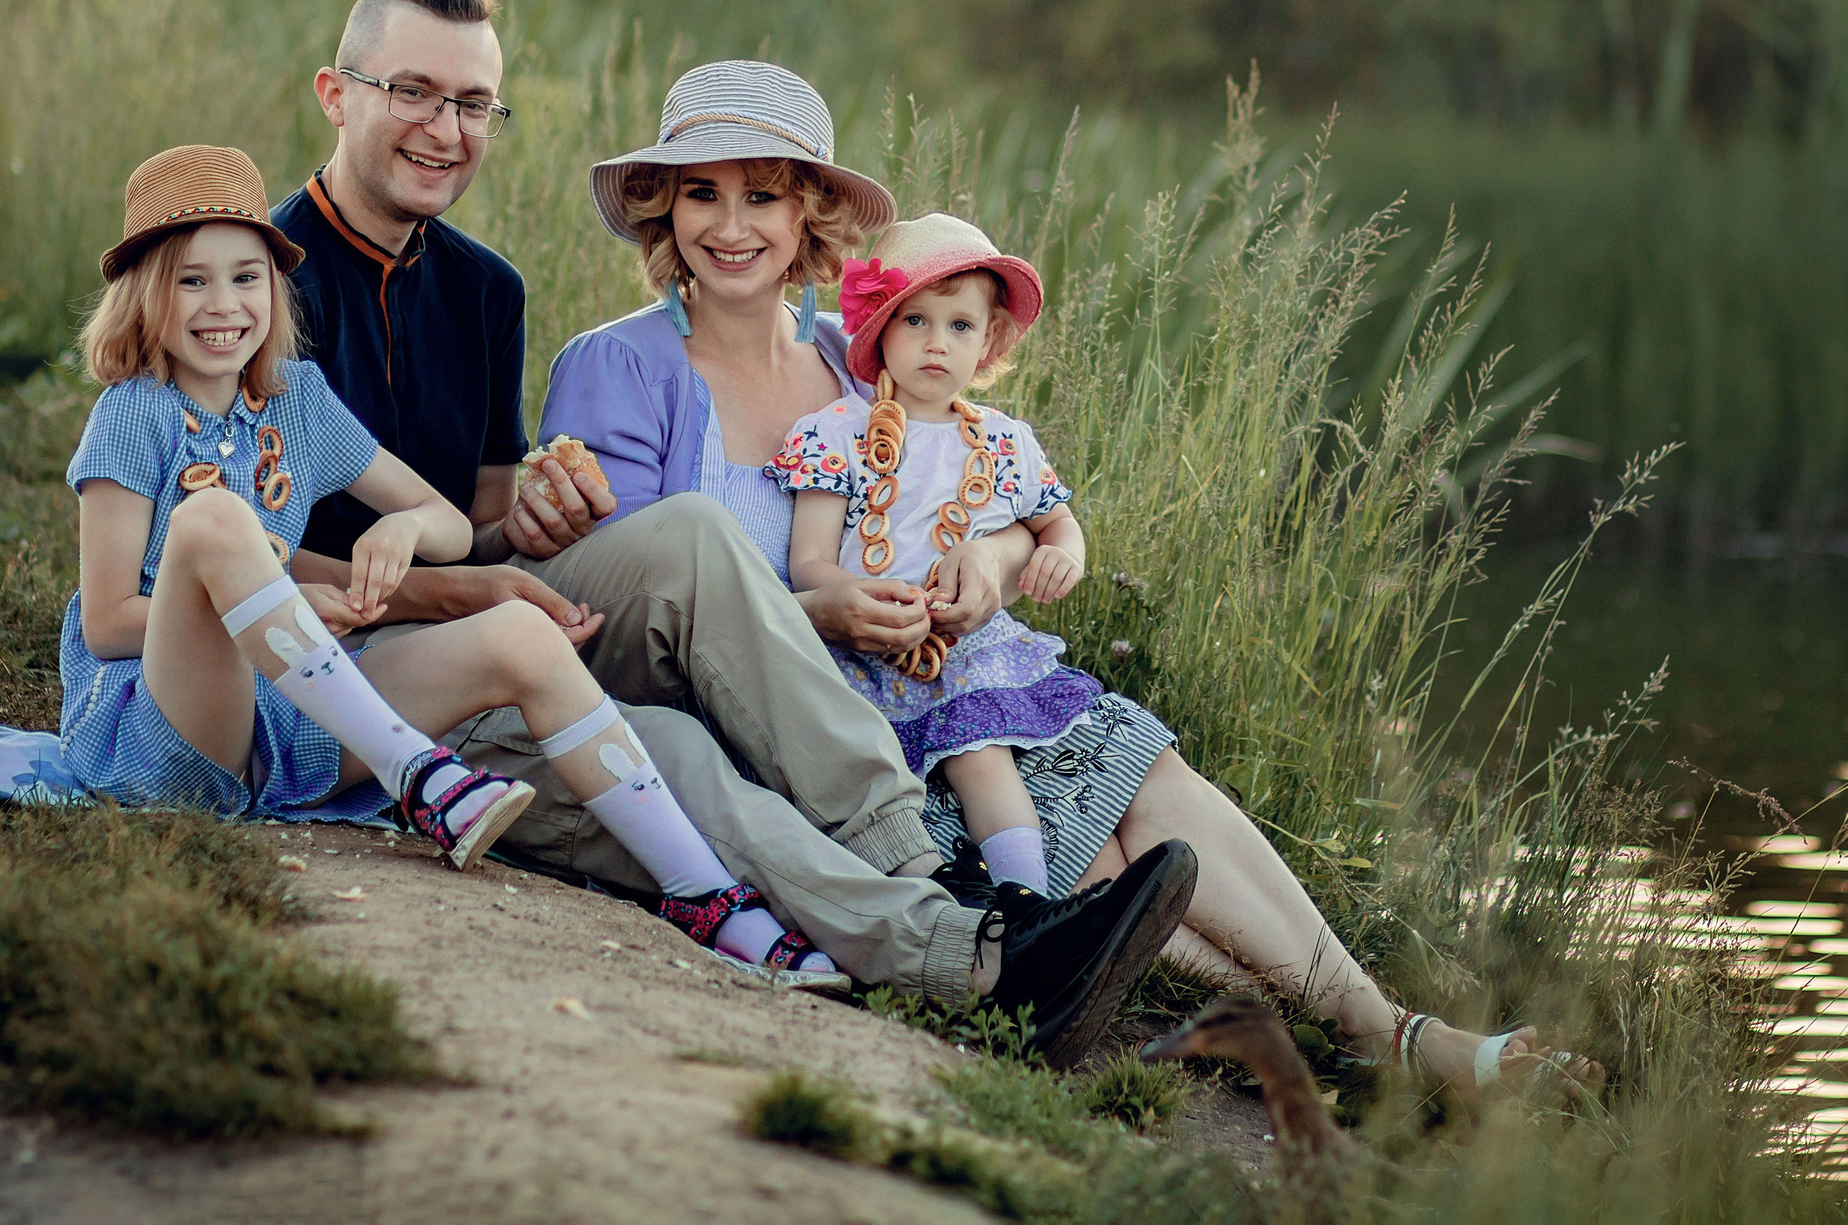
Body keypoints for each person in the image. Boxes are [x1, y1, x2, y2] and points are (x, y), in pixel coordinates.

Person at [272, 0, 1199, 1065]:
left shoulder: (483, 290)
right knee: (674, 753)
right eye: (412, 92)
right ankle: (976, 954)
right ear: (335, 92)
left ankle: (944, 888)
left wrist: (533, 521)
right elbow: (214, 563)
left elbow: (480, 516)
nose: (444, 128)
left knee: (691, 576)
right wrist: (467, 590)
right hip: (348, 680)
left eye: (471, 103)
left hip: (502, 643)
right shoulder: (253, 286)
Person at [557, 100, 1603, 1099]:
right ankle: (1361, 1037)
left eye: (765, 197)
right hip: (800, 736)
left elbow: (981, 481)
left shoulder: (858, 352)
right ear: (665, 212)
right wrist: (823, 615)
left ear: (809, 217)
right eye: (701, 195)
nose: (732, 227)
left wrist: (996, 558)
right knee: (1093, 853)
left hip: (932, 672)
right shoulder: (620, 366)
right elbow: (645, 618)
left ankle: (1377, 1031)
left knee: (1128, 761)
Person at [63, 143, 835, 980]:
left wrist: (400, 532)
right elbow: (107, 624)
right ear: (146, 293)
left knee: (519, 635)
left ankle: (707, 894)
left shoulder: (299, 397)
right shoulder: (131, 413)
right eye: (192, 280)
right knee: (214, 518)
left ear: (275, 289)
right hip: (170, 731)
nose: (225, 305)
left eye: (246, 276)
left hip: (288, 723)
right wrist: (284, 611)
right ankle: (418, 772)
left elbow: (451, 524)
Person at [771, 214, 1119, 905]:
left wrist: (1064, 557)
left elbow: (1059, 525)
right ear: (879, 328)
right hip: (865, 644)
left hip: (962, 647)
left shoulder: (1003, 439)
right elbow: (809, 560)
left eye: (960, 325)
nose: (937, 343)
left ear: (989, 340)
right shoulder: (834, 431)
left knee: (980, 753)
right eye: (917, 321)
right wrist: (860, 594)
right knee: (875, 779)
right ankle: (921, 899)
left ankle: (1024, 904)